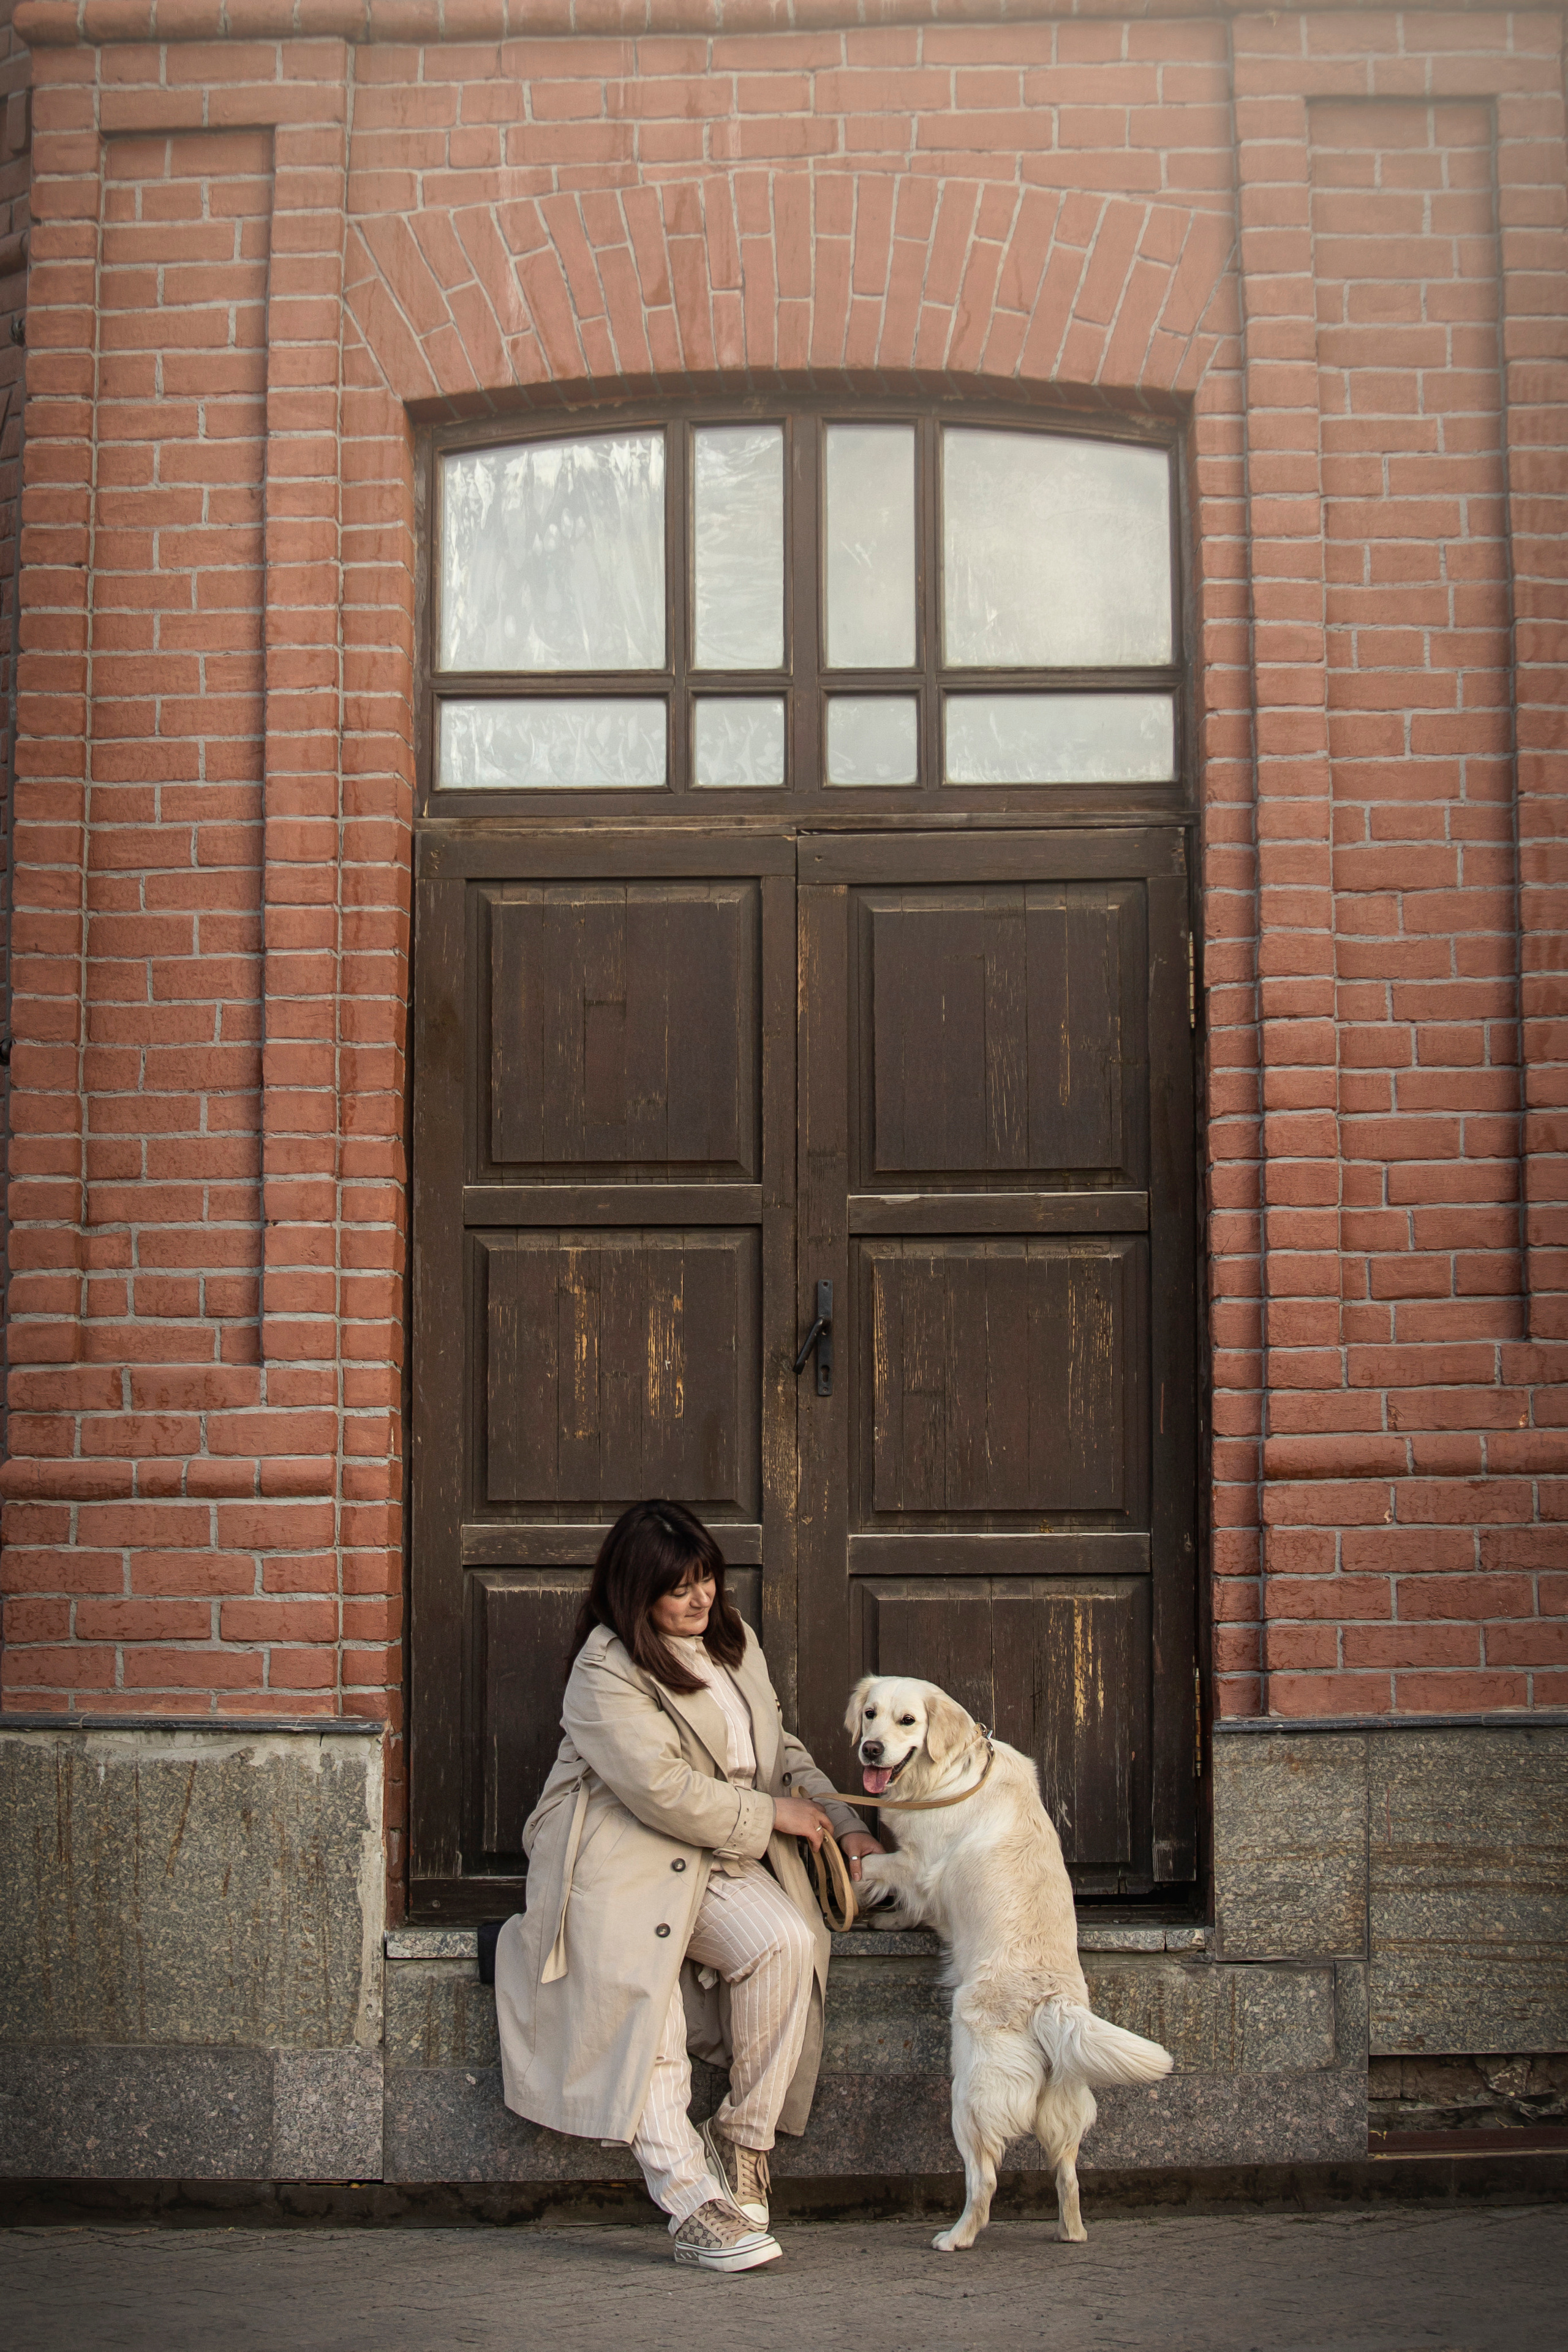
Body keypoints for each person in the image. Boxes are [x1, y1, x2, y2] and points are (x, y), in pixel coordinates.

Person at [494, 1499, 884, 2272]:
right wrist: (776, 1815)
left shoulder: (733, 1644)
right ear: (635, 1593)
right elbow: (661, 1790)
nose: (701, 1598)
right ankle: (688, 2201)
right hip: (616, 1855)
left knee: (786, 1941)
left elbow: (780, 1748)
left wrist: (842, 1821)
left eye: (707, 1578)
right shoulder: (605, 1670)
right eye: (680, 1588)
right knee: (648, 2006)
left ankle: (741, 2142)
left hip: (712, 1852)